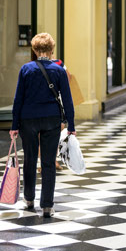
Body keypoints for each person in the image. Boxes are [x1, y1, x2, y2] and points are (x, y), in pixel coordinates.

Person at [10, 32, 76, 218]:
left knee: (30, 159)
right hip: (51, 119)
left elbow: (18, 99)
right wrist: (71, 125)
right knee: (48, 162)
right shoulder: (59, 70)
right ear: (52, 50)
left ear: (34, 49)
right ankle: (47, 205)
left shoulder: (26, 69)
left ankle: (29, 199)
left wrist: (14, 125)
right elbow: (68, 100)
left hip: (28, 120)